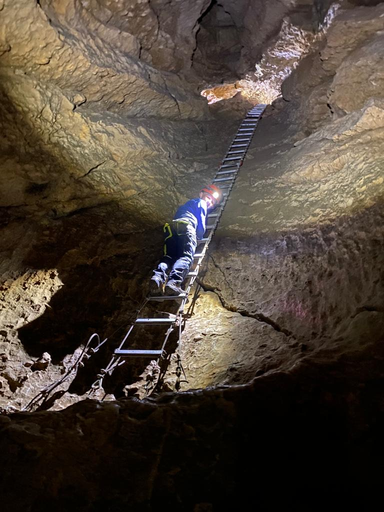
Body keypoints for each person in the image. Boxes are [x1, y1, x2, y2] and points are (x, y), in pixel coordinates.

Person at [149, 184, 223, 296]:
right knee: (186, 257)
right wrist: (199, 237)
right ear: (201, 194)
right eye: (209, 198)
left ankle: (157, 278)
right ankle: (173, 283)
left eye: (212, 202)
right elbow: (201, 224)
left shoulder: (185, 205)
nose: (209, 202)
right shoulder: (201, 202)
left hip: (171, 228)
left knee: (168, 256)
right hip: (187, 227)